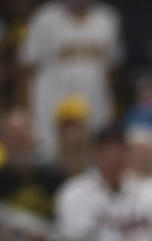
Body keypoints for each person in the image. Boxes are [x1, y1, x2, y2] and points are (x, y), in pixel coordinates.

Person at [18, 0, 122, 158]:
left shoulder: (107, 19)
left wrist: (109, 108)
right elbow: (27, 70)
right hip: (51, 108)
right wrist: (28, 113)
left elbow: (111, 70)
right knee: (49, 160)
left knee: (93, 160)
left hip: (94, 107)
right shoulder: (45, 18)